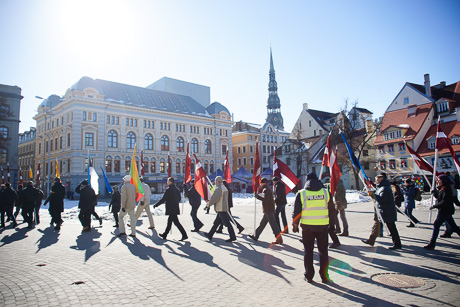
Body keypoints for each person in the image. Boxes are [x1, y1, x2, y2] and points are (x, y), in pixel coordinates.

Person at [292, 172, 334, 283]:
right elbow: (332, 211)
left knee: (308, 251)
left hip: (307, 228)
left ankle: (309, 275)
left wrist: (295, 225)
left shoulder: (301, 193)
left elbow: (296, 212)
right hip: (323, 227)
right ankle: (324, 276)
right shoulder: (326, 192)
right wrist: (332, 225)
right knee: (323, 252)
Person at [362, 172, 402, 250]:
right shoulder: (381, 187)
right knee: (377, 225)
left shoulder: (385, 188)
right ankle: (371, 240)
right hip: (383, 211)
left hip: (387, 211)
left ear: (381, 179)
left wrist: (373, 195)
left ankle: (397, 244)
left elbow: (382, 199)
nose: (375, 181)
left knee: (392, 228)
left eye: (377, 179)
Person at [424, 175, 460, 250]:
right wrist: (434, 193)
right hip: (445, 211)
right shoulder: (442, 189)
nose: (438, 182)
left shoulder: (447, 190)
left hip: (445, 211)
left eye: (439, 181)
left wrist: (434, 206)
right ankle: (432, 243)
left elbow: (444, 202)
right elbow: (439, 198)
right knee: (454, 227)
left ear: (444, 181)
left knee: (436, 225)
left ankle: (432, 243)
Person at [249, 178, 283, 244]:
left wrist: (257, 196)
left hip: (268, 210)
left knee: (273, 225)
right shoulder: (268, 188)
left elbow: (265, 199)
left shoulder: (266, 190)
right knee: (262, 224)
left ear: (263, 183)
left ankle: (279, 239)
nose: (260, 184)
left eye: (261, 183)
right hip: (269, 209)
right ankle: (256, 235)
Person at [204, 177, 237, 242]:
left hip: (221, 208)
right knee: (216, 223)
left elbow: (214, 199)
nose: (215, 182)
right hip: (223, 207)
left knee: (227, 223)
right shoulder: (224, 188)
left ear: (218, 181)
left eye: (216, 181)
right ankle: (210, 234)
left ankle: (233, 236)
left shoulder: (219, 189)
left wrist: (207, 205)